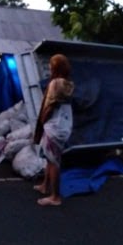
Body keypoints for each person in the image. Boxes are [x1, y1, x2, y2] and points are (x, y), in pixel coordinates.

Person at [33, 54, 74, 206]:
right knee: (50, 157)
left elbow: (49, 106)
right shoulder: (68, 83)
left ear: (56, 67)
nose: (49, 67)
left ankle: (55, 196)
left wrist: (42, 120)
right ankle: (45, 186)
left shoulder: (55, 83)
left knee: (53, 160)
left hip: (54, 124)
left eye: (51, 65)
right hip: (64, 123)